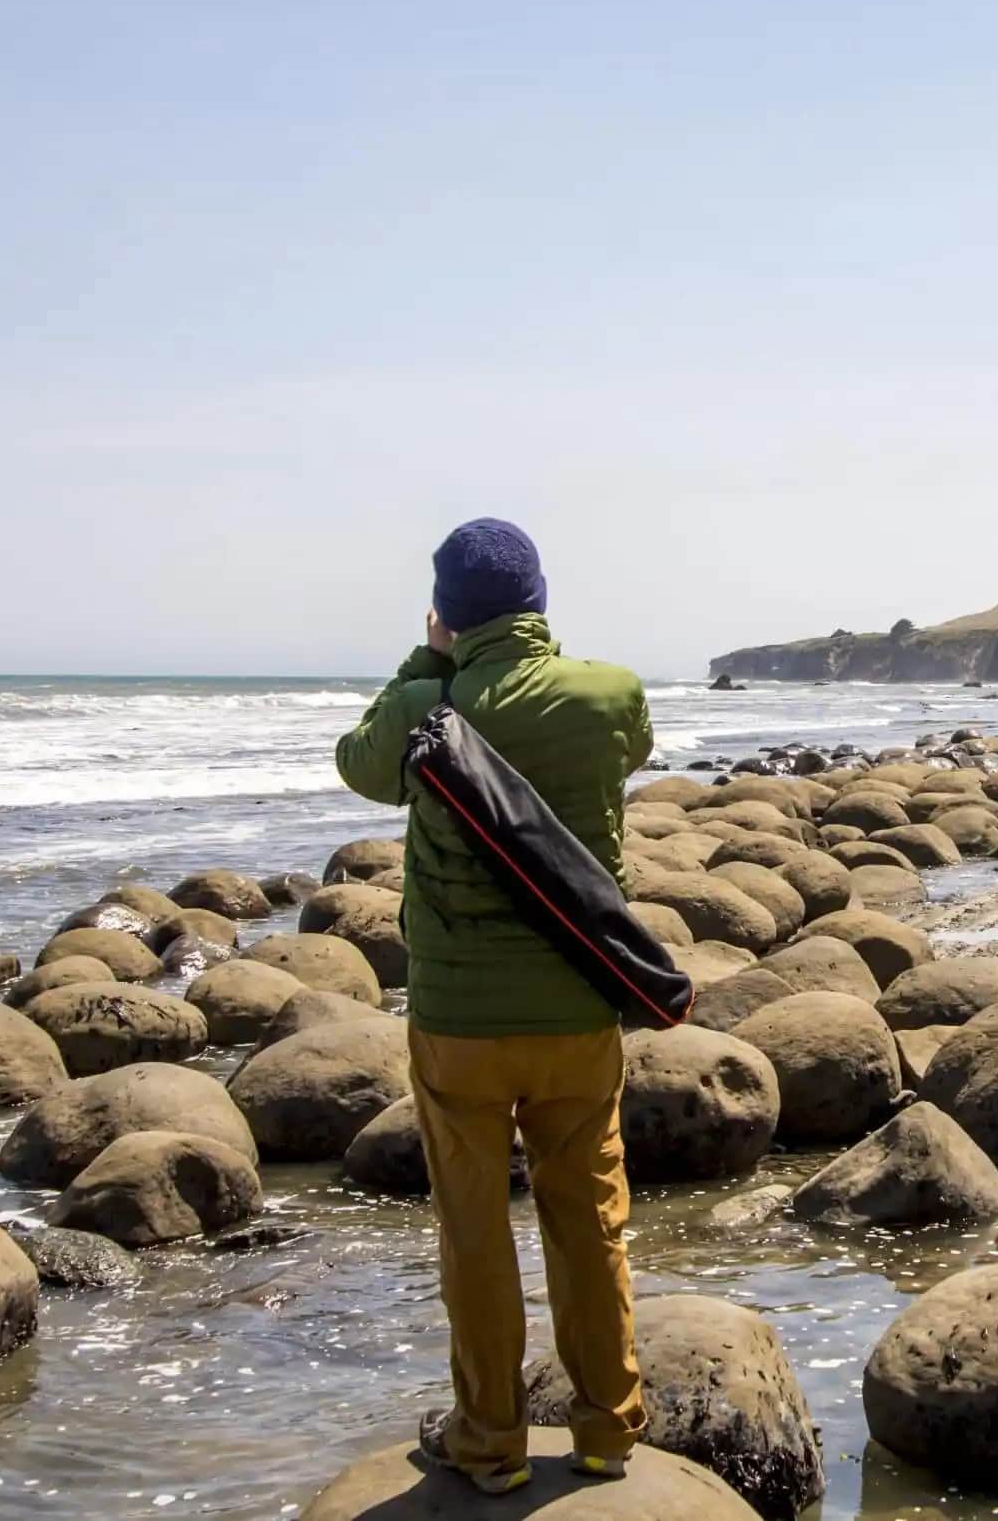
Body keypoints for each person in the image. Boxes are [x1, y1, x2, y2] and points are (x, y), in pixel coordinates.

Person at [335, 518, 653, 1496]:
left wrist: (424, 662)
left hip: (457, 1022)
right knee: (589, 1219)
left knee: (473, 1235)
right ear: (538, 602)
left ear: (449, 615)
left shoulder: (430, 704)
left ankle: (490, 1444)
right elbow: (631, 753)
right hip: (575, 1006)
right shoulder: (608, 693)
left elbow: (360, 766)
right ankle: (605, 1432)